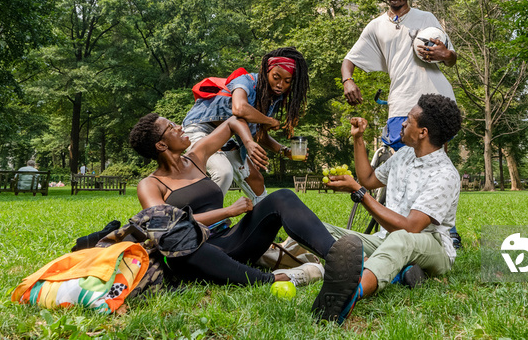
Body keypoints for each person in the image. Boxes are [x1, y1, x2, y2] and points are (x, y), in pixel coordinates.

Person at [129, 113, 359, 288]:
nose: (179, 126)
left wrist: (248, 142)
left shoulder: (196, 157)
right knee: (186, 250)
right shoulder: (150, 185)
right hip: (197, 253)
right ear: (161, 145)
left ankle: (341, 258)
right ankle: (276, 279)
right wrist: (228, 211)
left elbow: (233, 121)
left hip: (231, 240)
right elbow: (167, 228)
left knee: (282, 197)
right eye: (171, 127)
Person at [341, 0, 462, 247]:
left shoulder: (425, 18)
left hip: (436, 99)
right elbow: (349, 60)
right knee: (401, 167)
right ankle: (400, 224)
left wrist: (444, 53)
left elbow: (453, 58)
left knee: (434, 164)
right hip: (402, 106)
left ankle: (447, 230)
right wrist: (348, 81)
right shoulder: (376, 27)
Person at [312, 94, 462, 325]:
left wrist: (360, 194)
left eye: (409, 120)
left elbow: (412, 228)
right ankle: (401, 272)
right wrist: (358, 139)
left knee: (403, 240)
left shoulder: (444, 174)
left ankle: (349, 294)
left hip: (431, 245)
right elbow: (368, 179)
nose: (402, 123)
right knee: (324, 231)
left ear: (423, 132)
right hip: (387, 238)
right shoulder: (403, 156)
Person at [182, 47, 309, 205]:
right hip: (199, 128)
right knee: (223, 172)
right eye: (276, 77)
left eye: (287, 81)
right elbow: (239, 109)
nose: (280, 84)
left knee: (256, 179)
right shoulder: (246, 81)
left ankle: (265, 221)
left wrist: (284, 151)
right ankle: (204, 220)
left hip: (224, 136)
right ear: (266, 72)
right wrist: (269, 121)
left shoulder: (272, 99)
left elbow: (258, 135)